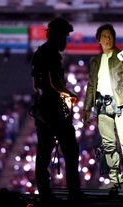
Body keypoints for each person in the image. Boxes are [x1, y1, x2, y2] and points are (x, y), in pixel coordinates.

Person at [83, 24, 123, 190]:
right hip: (102, 107)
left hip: (122, 104)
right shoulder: (95, 61)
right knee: (108, 145)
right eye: (104, 36)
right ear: (99, 40)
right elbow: (91, 86)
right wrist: (87, 109)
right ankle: (115, 180)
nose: (108, 39)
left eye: (110, 36)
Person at [30, 17, 81, 203]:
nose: (66, 41)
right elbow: (54, 82)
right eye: (65, 37)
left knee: (43, 153)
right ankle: (74, 193)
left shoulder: (39, 53)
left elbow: (36, 84)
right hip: (53, 109)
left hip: (41, 109)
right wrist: (70, 94)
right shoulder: (52, 54)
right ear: (57, 36)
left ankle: (45, 194)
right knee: (70, 150)